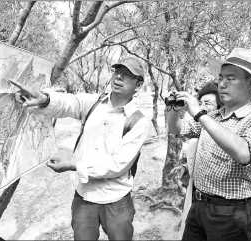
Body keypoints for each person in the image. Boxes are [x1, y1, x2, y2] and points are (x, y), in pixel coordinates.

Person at [10, 57, 149, 240]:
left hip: (117, 200)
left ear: (138, 86)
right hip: (85, 196)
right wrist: (44, 99)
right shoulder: (94, 103)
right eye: (117, 72)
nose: (118, 78)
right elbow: (68, 103)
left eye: (127, 75)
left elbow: (117, 165)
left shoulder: (138, 121)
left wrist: (74, 165)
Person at [167, 48, 251, 241]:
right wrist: (174, 109)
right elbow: (177, 130)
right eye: (221, 77)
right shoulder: (213, 116)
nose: (222, 84)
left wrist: (199, 114)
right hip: (199, 205)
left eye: (231, 78)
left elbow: (244, 154)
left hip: (232, 213)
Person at [171, 81, 223, 238]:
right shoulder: (201, 126)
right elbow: (177, 129)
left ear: (220, 108)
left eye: (208, 103)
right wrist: (187, 168)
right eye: (200, 103)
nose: (202, 107)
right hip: (197, 196)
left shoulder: (224, 129)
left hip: (220, 205)